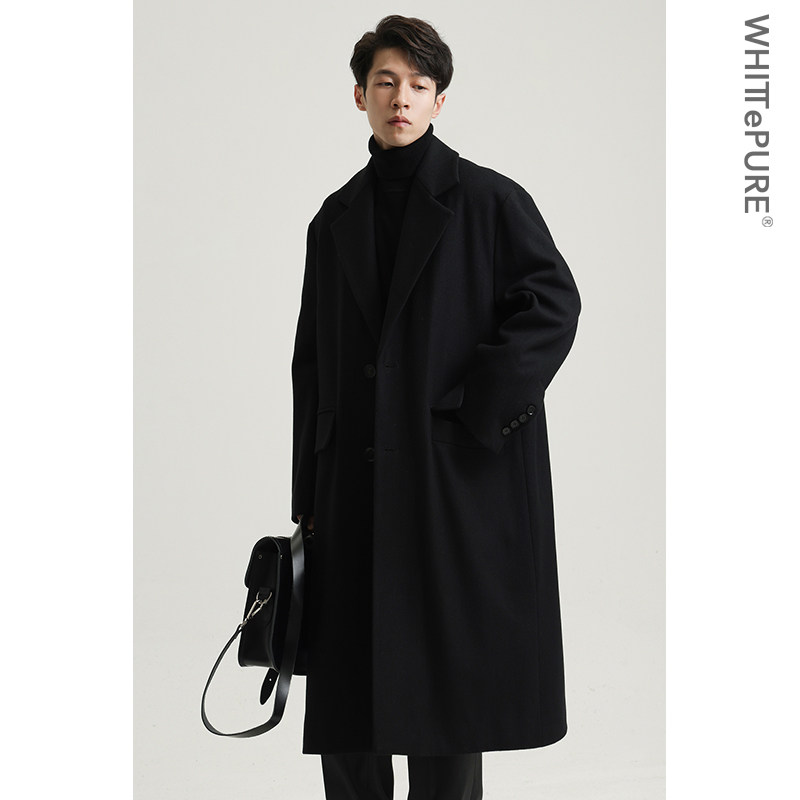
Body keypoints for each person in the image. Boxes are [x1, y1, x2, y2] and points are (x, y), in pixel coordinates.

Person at [291, 14, 581, 800]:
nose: (402, 99)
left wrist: (474, 415)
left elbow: (553, 306)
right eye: (386, 82)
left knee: (445, 703)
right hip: (351, 494)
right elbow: (312, 364)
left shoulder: (489, 201)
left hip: (449, 489)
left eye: (419, 86)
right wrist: (307, 499)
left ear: (439, 102)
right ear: (359, 95)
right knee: (350, 710)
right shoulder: (333, 219)